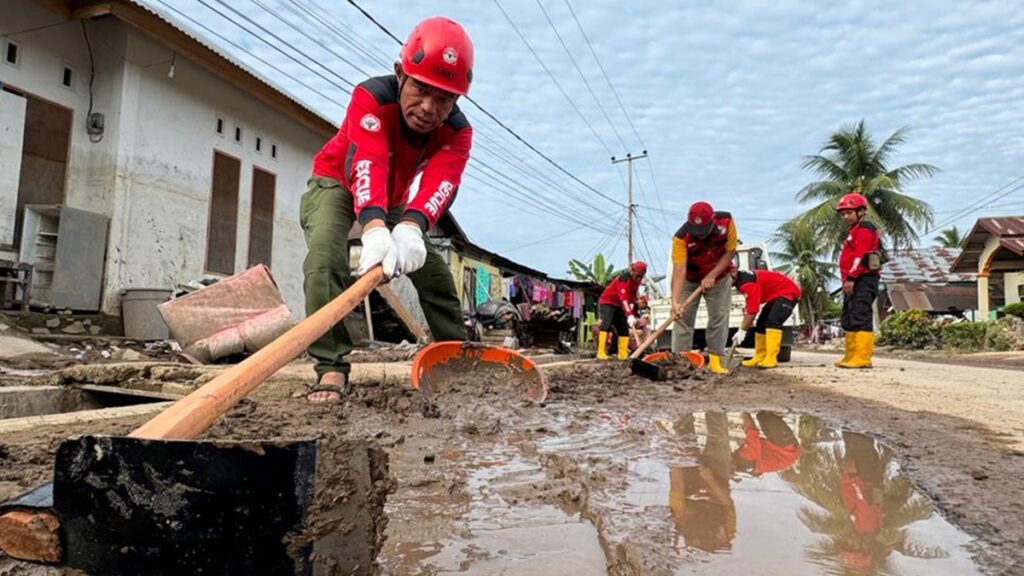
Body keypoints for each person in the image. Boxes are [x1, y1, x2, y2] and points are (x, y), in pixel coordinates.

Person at [302, 17, 474, 402]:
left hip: (394, 202)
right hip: (337, 183)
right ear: (400, 74)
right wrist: (375, 228)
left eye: (444, 99)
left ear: (456, 101)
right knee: (325, 258)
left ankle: (461, 359)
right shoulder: (371, 97)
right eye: (421, 89)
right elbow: (368, 161)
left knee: (436, 277)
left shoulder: (458, 132)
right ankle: (330, 367)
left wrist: (412, 226)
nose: (429, 108)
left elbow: (440, 183)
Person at [670, 201, 738, 374]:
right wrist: (675, 302)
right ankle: (681, 361)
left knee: (719, 316)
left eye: (703, 231)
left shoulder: (727, 222)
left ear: (713, 221)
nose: (699, 235)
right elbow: (679, 270)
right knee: (682, 318)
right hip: (690, 278)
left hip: (719, 275)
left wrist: (712, 275)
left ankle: (715, 360)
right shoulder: (680, 238)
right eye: (696, 231)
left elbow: (730, 252)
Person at [834, 192, 881, 369]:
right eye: (843, 213)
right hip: (853, 279)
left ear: (861, 211)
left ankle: (862, 357)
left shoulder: (865, 228)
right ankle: (851, 355)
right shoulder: (854, 230)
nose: (845, 216)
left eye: (849, 213)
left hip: (863, 278)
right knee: (849, 316)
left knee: (860, 315)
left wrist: (852, 277)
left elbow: (860, 255)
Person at [731, 269, 801, 369]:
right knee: (760, 324)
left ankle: (771, 358)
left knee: (773, 322)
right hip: (774, 296)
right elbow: (751, 303)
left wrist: (742, 331)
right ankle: (760, 357)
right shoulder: (740, 280)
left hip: (787, 292)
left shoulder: (747, 282)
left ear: (733, 273)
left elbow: (752, 311)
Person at [596, 261, 647, 360]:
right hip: (608, 302)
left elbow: (631, 296)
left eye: (641, 277)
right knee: (606, 324)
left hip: (620, 305)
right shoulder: (624, 279)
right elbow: (623, 298)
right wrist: (629, 314)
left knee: (623, 328)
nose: (639, 279)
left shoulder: (637, 280)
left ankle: (622, 354)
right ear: (632, 271)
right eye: (637, 276)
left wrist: (632, 311)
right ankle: (601, 352)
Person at [732, 411, 801, 475]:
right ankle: (779, 413)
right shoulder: (746, 457)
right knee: (770, 418)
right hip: (788, 450)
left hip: (775, 448)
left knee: (762, 416)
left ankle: (776, 416)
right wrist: (745, 413)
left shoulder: (741, 464)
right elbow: (752, 432)